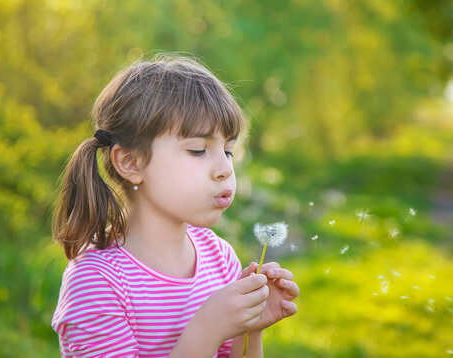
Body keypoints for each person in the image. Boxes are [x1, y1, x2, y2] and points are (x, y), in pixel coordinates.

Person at [50, 54, 299, 357]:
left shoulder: (219, 258)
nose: (224, 168)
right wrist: (208, 327)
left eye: (229, 150)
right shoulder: (97, 283)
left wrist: (250, 328)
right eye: (197, 150)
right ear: (131, 162)